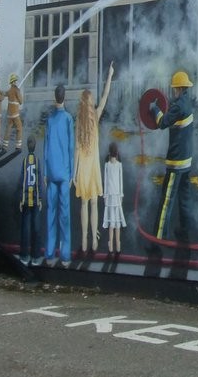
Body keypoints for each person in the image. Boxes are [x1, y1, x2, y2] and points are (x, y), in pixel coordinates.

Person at [148, 70, 195, 242]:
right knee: (185, 197)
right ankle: (185, 229)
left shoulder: (178, 106)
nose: (173, 91)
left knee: (166, 200)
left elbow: (162, 123)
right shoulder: (187, 102)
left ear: (179, 88)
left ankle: (158, 238)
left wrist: (154, 109)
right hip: (187, 160)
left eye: (174, 88)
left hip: (176, 162)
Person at [73, 61, 115, 254]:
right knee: (94, 204)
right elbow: (105, 96)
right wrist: (110, 75)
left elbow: (76, 149)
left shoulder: (78, 122)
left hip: (82, 167)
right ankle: (94, 240)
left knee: (83, 204)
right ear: (90, 104)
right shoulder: (96, 116)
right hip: (93, 167)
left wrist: (74, 173)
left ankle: (83, 239)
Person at [43, 84, 75, 267]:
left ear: (55, 97)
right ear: (65, 97)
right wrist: (71, 174)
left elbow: (46, 147)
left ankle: (49, 254)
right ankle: (65, 256)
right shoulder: (68, 119)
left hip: (51, 171)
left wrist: (45, 172)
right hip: (64, 172)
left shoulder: (49, 120)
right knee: (65, 215)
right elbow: (71, 148)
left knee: (51, 214)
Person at [17, 135, 43, 266]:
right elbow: (39, 181)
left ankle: (24, 255)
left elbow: (22, 181)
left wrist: (21, 199)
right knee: (36, 229)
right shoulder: (37, 161)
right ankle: (35, 256)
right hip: (35, 199)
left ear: (27, 146)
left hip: (26, 199)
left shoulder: (25, 161)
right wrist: (40, 198)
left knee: (26, 229)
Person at [102, 141, 126, 254]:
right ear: (116, 153)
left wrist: (106, 195)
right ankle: (116, 244)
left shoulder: (110, 165)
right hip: (114, 196)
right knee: (115, 222)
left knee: (113, 222)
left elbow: (106, 181)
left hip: (113, 196)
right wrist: (120, 194)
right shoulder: (113, 165)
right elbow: (119, 182)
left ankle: (113, 244)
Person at [2, 72, 24, 150]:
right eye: (15, 81)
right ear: (14, 81)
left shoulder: (10, 90)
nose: (16, 82)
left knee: (8, 128)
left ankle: (4, 146)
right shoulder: (17, 90)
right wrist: (19, 94)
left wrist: (1, 92)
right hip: (15, 114)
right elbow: (21, 101)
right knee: (19, 128)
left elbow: (5, 93)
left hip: (9, 114)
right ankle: (18, 146)